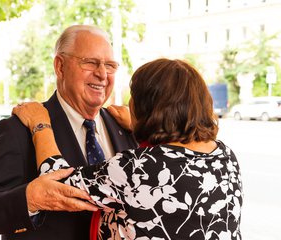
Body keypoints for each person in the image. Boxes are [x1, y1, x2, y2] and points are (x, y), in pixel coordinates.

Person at [13, 58, 243, 239]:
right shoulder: (226, 157)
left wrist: (40, 125)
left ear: (147, 106)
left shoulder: (138, 167)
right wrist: (142, 125)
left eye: (134, 97)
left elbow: (58, 183)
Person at [0, 25, 137, 240]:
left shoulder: (126, 127)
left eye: (110, 65)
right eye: (90, 62)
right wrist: (31, 199)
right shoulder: (19, 129)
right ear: (60, 66)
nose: (102, 74)